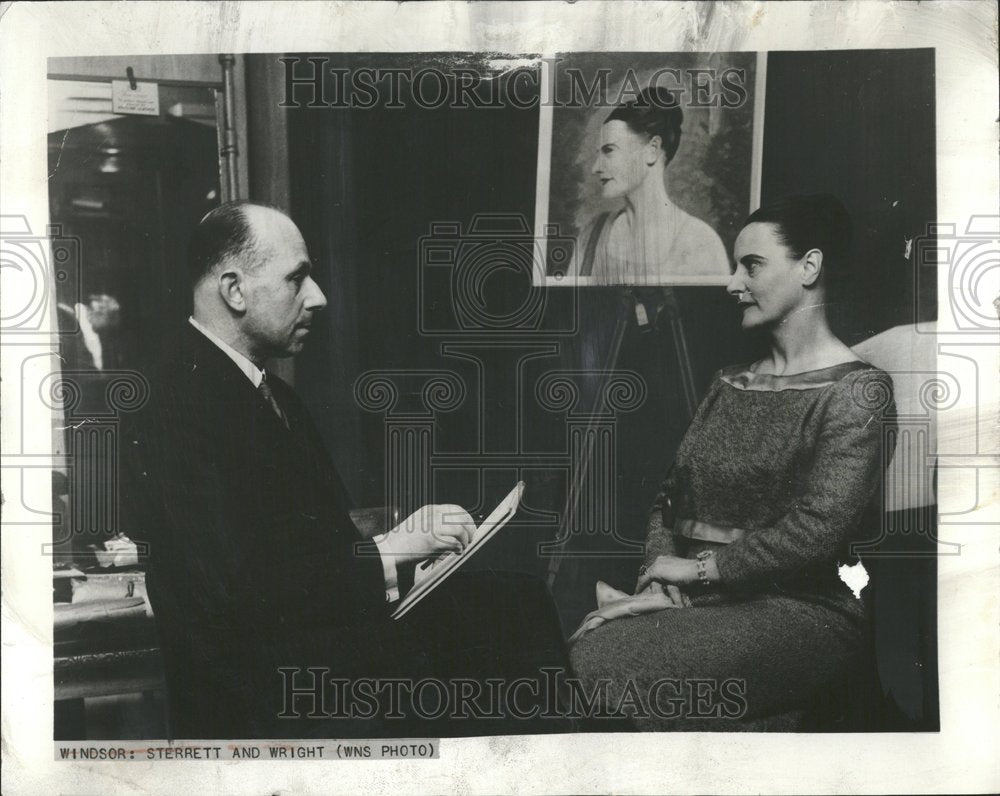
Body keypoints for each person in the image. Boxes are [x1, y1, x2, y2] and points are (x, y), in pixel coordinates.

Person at [121, 202, 570, 738]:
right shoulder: (172, 402)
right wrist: (390, 553)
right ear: (234, 291)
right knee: (512, 624)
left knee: (514, 601)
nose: (319, 297)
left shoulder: (266, 391)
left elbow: (302, 548)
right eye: (298, 278)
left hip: (315, 659)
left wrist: (404, 548)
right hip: (271, 696)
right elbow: (240, 591)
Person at [568, 194, 897, 729]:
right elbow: (669, 499)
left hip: (804, 613)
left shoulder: (858, 393)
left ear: (809, 267)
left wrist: (700, 571)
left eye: (752, 265)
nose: (731, 283)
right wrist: (659, 583)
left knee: (605, 662)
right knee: (585, 648)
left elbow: (816, 532)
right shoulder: (729, 381)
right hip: (702, 601)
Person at [569, 87, 729, 283]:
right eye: (598, 154)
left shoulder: (700, 243)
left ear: (652, 150)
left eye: (609, 150)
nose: (595, 167)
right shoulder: (592, 234)